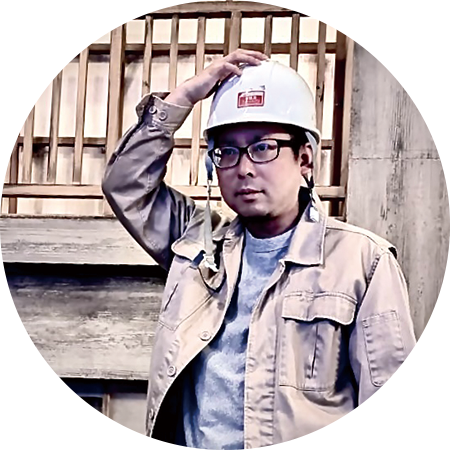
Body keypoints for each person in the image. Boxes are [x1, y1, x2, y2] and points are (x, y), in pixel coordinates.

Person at [102, 49, 437, 450]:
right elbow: (125, 186)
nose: (244, 168)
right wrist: (184, 97)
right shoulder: (198, 245)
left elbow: (396, 416)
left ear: (305, 159)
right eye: (227, 151)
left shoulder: (362, 262)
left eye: (263, 148)